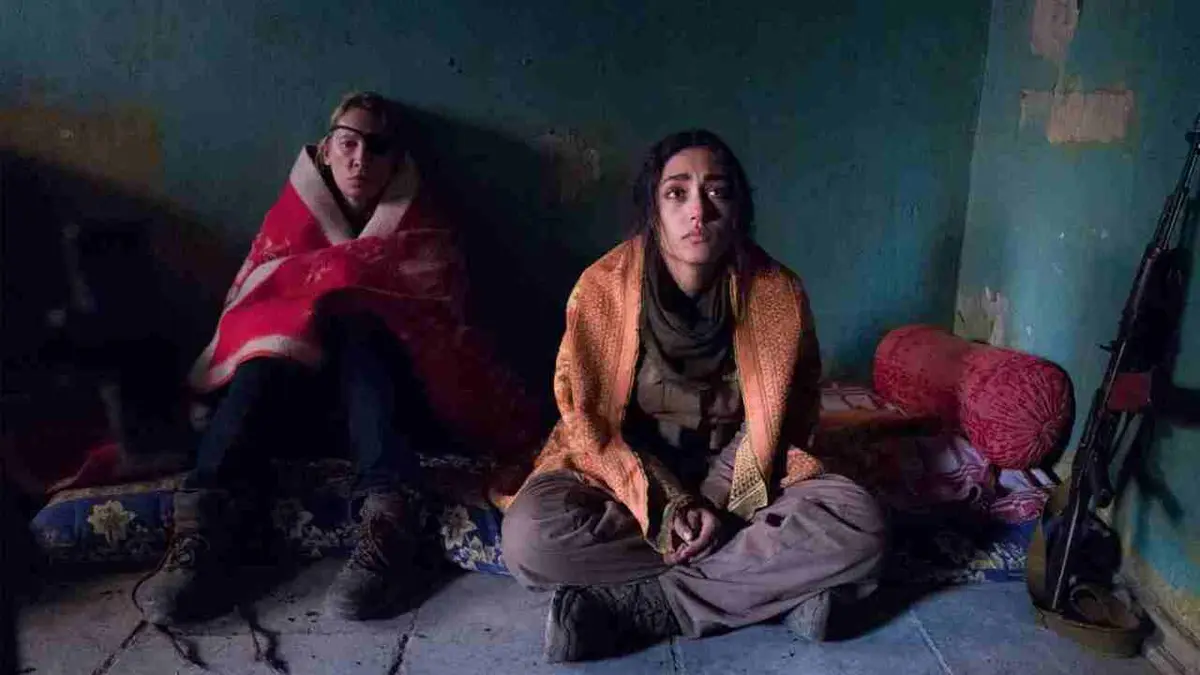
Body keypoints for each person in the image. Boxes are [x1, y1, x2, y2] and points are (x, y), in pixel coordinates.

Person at [136, 92, 539, 624]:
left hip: (393, 415)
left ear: (396, 162)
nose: (360, 160)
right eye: (348, 144)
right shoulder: (287, 225)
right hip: (301, 409)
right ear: (325, 152)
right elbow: (248, 307)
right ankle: (203, 525)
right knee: (266, 343)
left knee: (361, 328)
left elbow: (445, 332)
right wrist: (299, 316)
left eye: (377, 149)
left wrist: (346, 295)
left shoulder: (425, 231)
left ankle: (389, 523)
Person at [499, 130, 886, 662]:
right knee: (530, 538)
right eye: (677, 193)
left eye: (717, 192)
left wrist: (714, 504)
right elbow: (590, 423)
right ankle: (771, 593)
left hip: (747, 481)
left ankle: (643, 606)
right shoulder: (602, 289)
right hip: (625, 479)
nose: (698, 211)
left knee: (859, 523)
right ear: (653, 209)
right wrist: (670, 508)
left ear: (738, 209)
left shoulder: (777, 293)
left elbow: (785, 421)